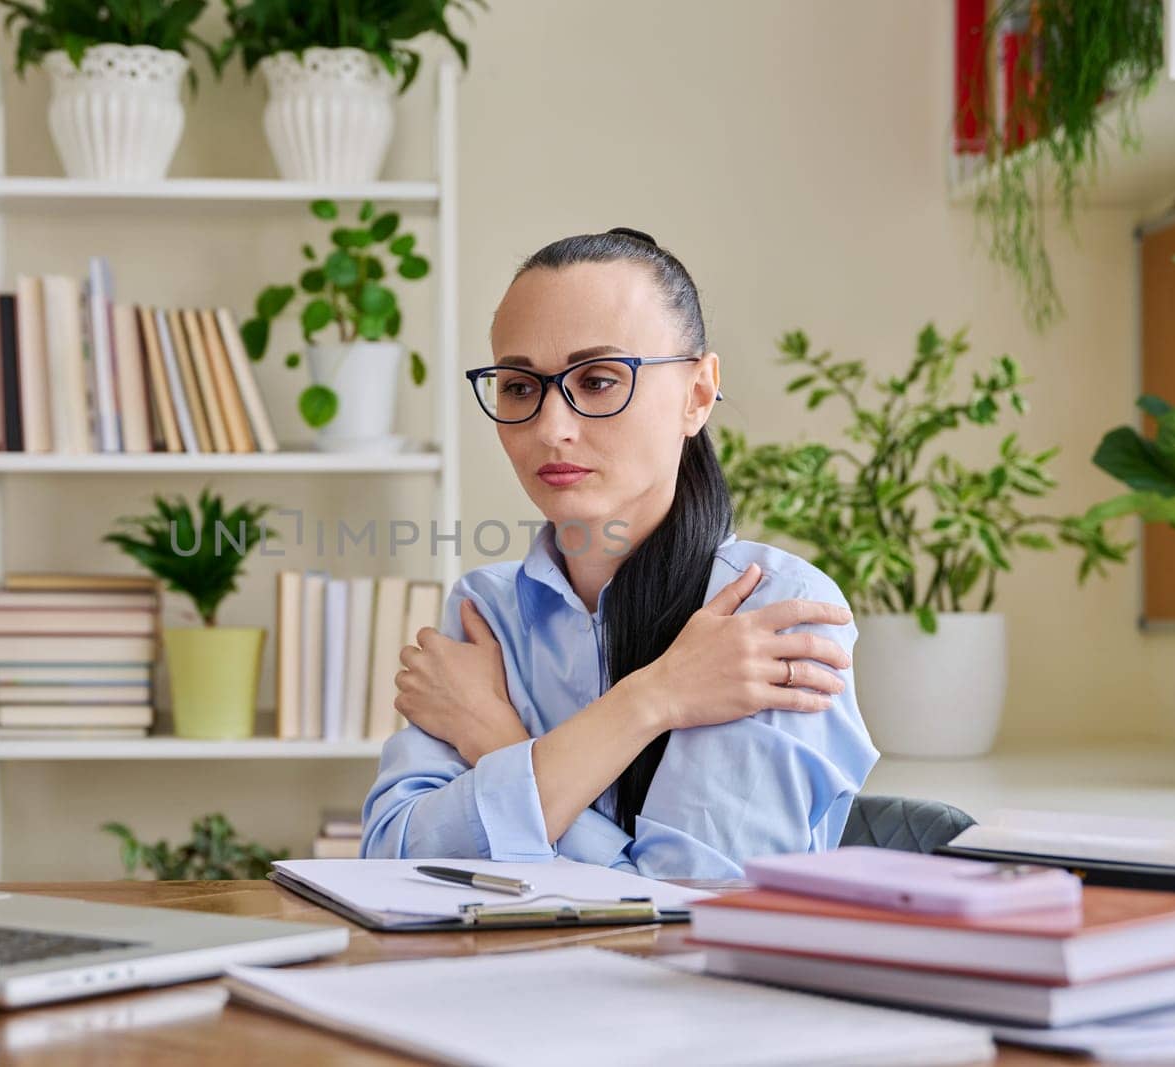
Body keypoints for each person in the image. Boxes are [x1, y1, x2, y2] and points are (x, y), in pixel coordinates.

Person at [359, 227, 879, 878]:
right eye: (520, 387)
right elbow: (390, 858)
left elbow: (689, 907)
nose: (552, 428)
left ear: (697, 393)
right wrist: (653, 699)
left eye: (600, 380)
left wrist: (495, 741)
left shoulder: (769, 612)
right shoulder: (485, 610)